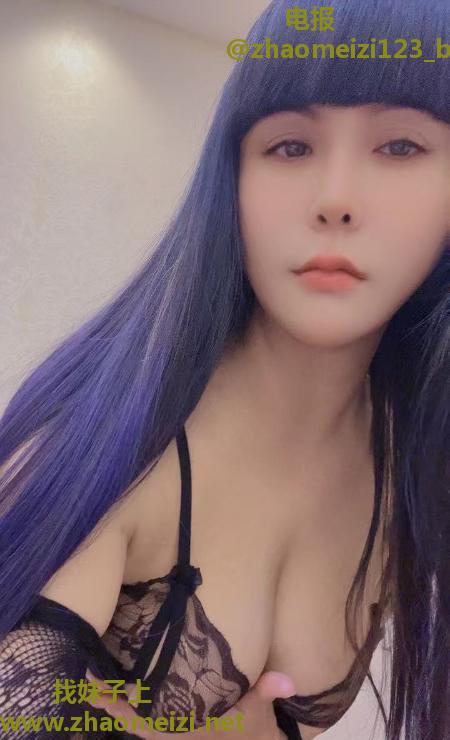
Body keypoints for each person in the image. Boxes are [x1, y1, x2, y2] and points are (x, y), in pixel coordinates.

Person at [0, 0, 449, 738]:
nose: (335, 199)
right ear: (232, 175)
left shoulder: (414, 464)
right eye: (290, 146)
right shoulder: (105, 444)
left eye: (401, 146)